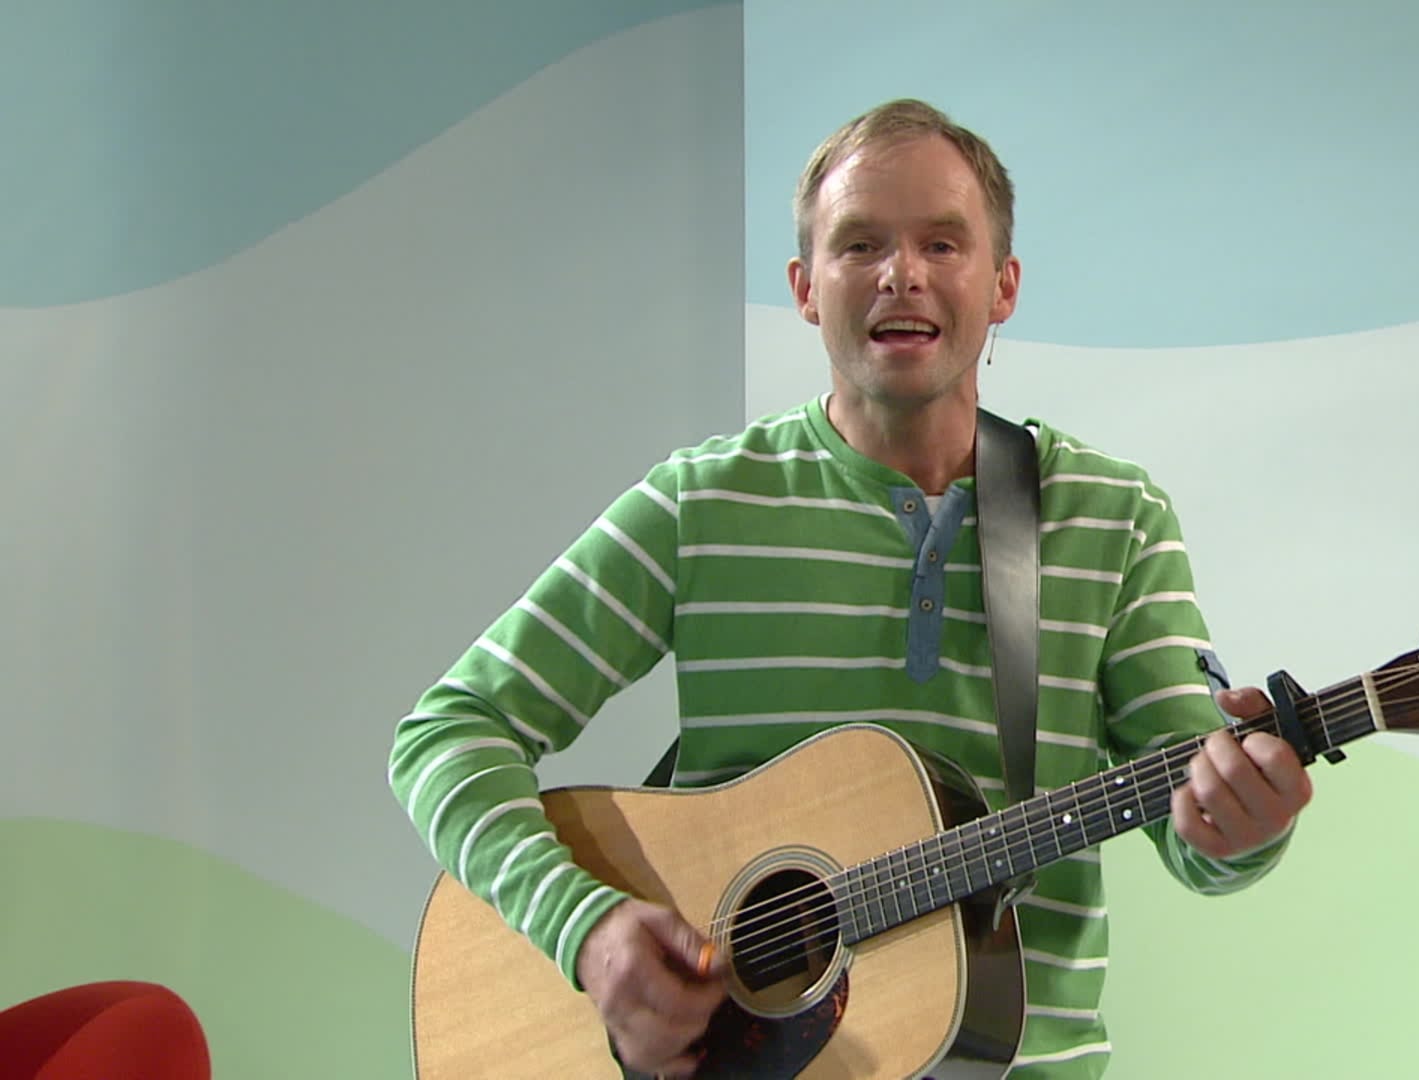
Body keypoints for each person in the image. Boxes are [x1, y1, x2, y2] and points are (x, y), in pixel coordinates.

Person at [388, 98, 1312, 1078]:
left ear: (1003, 285)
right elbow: (446, 732)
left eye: (942, 243)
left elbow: (1200, 829)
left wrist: (1244, 823)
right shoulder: (701, 502)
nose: (900, 274)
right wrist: (586, 930)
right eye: (860, 243)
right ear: (805, 287)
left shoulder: (1113, 517)